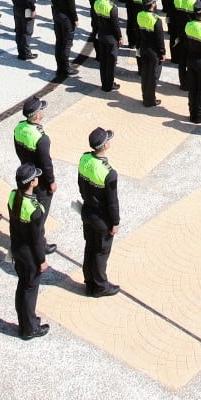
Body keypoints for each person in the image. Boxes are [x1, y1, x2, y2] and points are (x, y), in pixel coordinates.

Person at [8, 164, 51, 339]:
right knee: (30, 290)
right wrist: (41, 260)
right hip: (29, 255)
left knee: (22, 287)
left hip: (17, 247)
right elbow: (37, 239)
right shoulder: (34, 209)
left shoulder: (13, 196)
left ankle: (25, 321)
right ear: (32, 182)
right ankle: (30, 327)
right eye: (35, 177)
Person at [78, 126, 120, 296]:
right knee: (101, 253)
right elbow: (112, 202)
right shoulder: (109, 173)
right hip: (102, 217)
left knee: (90, 247)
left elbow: (80, 184)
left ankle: (89, 282)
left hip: (87, 210)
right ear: (104, 145)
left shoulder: (84, 159)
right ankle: (100, 286)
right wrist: (115, 222)